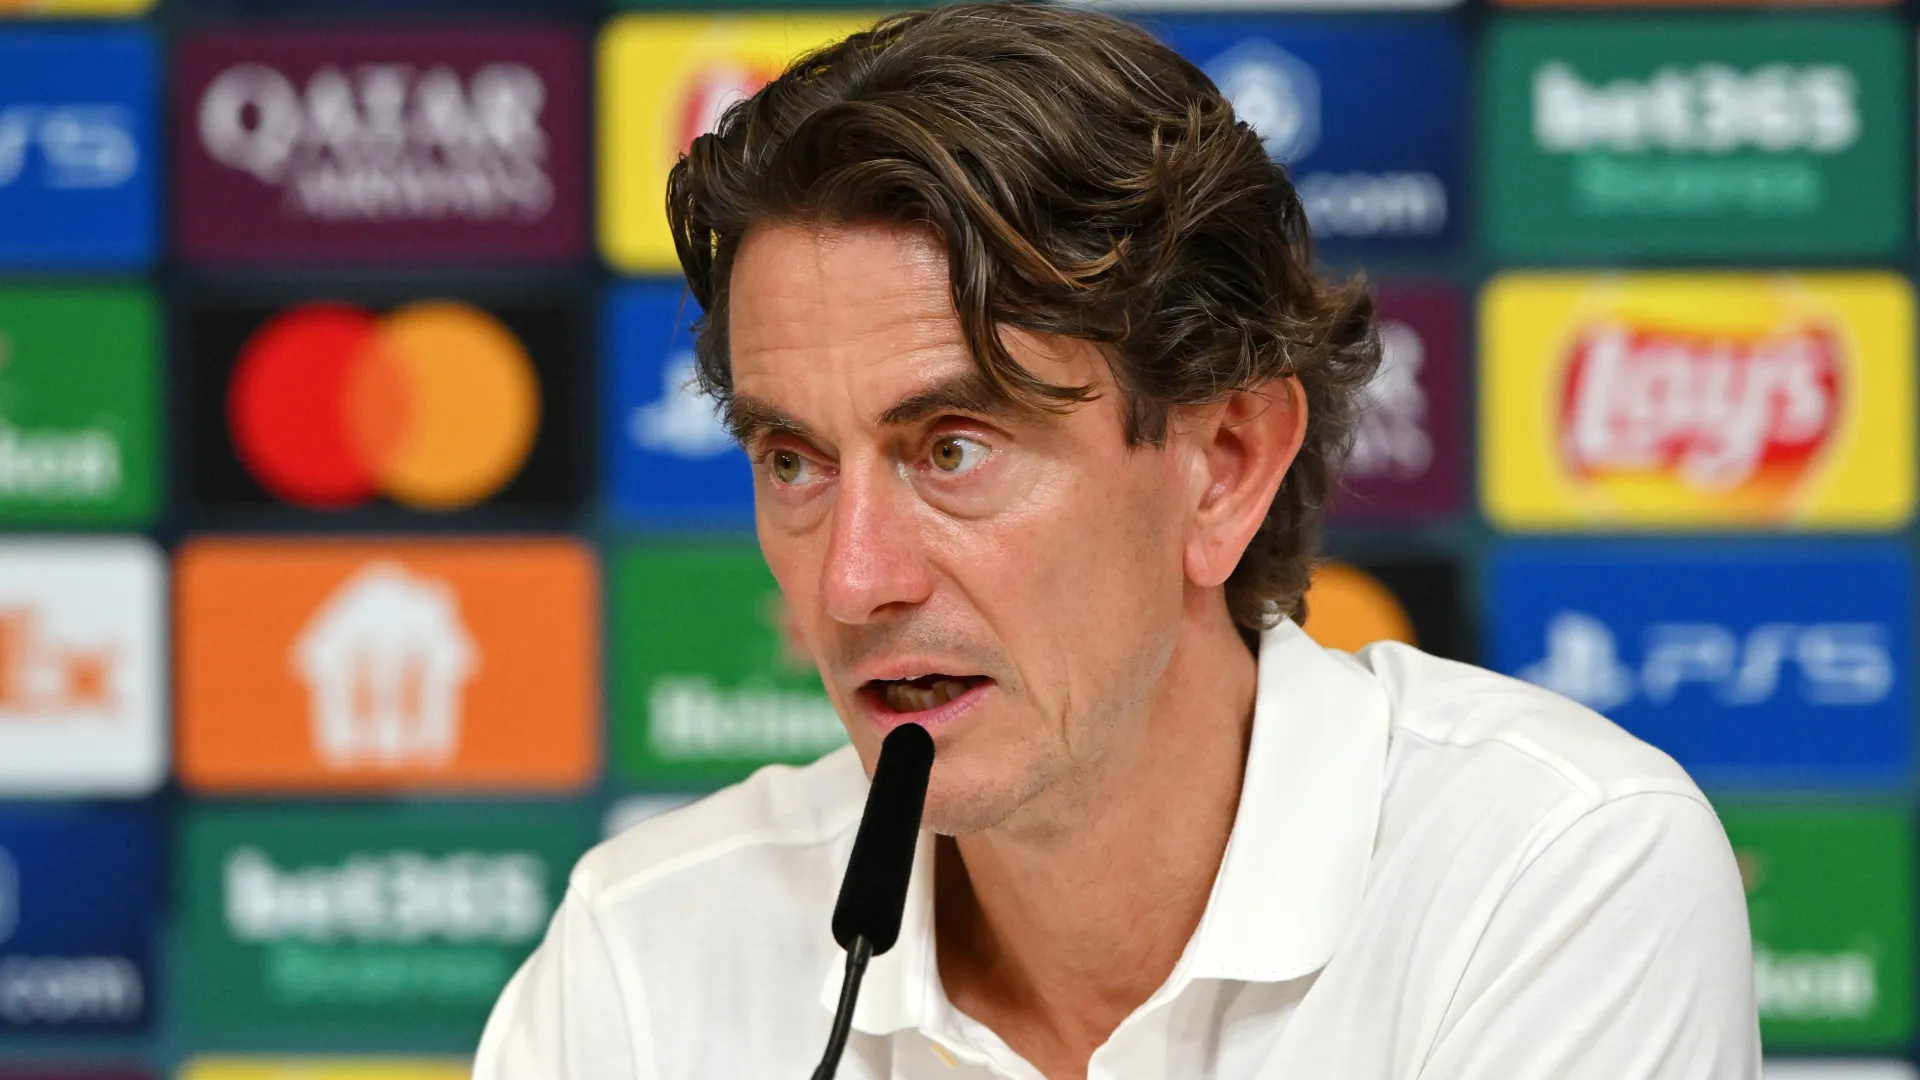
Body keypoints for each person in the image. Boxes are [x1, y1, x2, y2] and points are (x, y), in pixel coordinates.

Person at [475, 5, 1760, 1077]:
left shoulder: (1550, 873)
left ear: (1224, 465)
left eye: (953, 449)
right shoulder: (640, 958)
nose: (854, 581)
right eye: (794, 462)